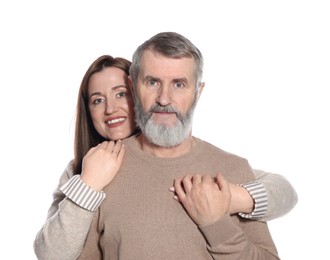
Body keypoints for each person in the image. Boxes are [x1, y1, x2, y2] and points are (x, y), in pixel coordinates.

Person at [33, 54, 296, 259]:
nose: (110, 108)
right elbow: (54, 253)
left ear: (139, 95)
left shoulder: (213, 162)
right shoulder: (81, 170)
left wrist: (229, 199)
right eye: (97, 100)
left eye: (121, 94)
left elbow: (281, 190)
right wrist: (87, 185)